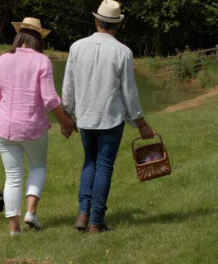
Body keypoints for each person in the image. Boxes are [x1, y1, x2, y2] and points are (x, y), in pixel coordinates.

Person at [62, 0, 155, 233]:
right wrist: (141, 123)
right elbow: (129, 93)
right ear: (119, 24)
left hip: (85, 118)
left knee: (89, 162)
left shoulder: (76, 47)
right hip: (110, 119)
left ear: (96, 21)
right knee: (103, 166)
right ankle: (96, 222)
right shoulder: (123, 52)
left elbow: (68, 87)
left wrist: (67, 116)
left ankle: (83, 215)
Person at [0, 17, 75, 236]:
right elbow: (50, 100)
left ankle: (14, 229)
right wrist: (66, 124)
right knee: (38, 167)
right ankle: (31, 213)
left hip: (4, 129)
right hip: (33, 128)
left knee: (13, 176)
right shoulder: (42, 61)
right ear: (38, 38)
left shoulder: (2, 60)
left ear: (19, 36)